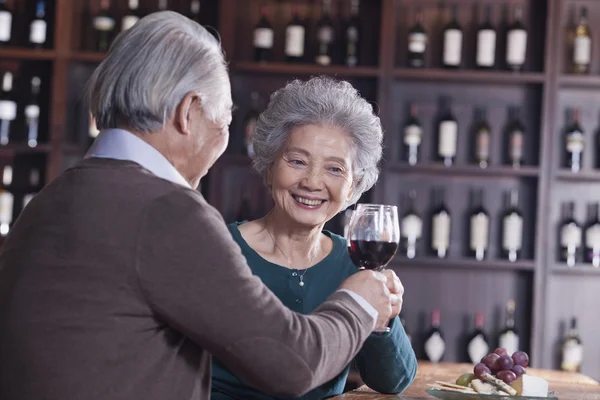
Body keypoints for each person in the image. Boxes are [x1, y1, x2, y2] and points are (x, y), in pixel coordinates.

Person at [0, 11, 404, 400]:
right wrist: (359, 302)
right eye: (225, 119)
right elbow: (291, 365)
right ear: (187, 112)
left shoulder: (51, 198)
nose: (224, 136)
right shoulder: (168, 211)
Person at [211, 77, 418, 400]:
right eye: (297, 161)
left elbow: (393, 381)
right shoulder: (219, 249)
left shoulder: (354, 265)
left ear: (353, 186)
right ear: (269, 166)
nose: (312, 182)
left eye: (334, 169)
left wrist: (382, 318)